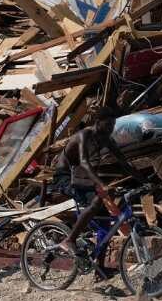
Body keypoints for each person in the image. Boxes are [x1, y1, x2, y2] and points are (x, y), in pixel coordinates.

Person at [54, 107, 134, 256]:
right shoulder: (84, 134)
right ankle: (69, 240)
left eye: (113, 125)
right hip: (65, 177)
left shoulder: (106, 139)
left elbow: (123, 161)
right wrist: (101, 184)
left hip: (81, 177)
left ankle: (100, 265)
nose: (111, 128)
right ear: (98, 122)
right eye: (108, 124)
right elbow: (84, 162)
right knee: (98, 198)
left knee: (104, 223)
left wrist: (143, 180)